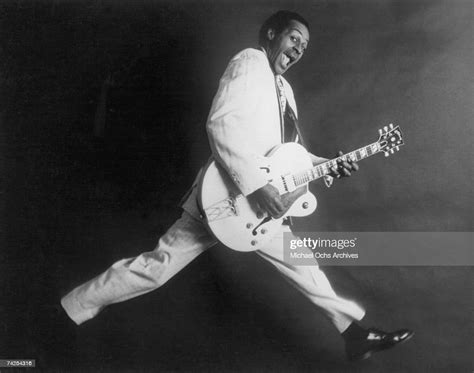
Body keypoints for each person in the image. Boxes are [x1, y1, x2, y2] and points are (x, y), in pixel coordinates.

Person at [61, 10, 413, 361]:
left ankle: (354, 334)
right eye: (294, 38)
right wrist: (257, 186)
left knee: (304, 265)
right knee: (158, 267)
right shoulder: (249, 62)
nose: (299, 49)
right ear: (272, 34)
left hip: (260, 211)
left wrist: (330, 165)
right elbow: (221, 124)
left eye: (304, 46)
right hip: (227, 195)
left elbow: (289, 154)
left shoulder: (285, 91)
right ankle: (70, 308)